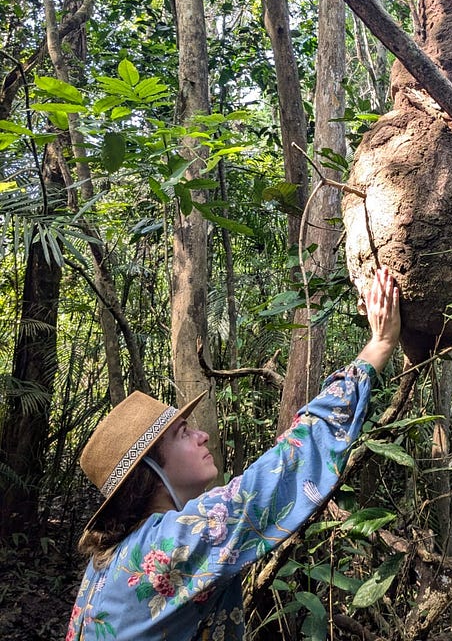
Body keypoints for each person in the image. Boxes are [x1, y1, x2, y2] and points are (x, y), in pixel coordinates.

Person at [66, 267, 401, 641]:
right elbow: (278, 475)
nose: (202, 435)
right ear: (149, 471)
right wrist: (379, 346)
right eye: (183, 433)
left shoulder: (108, 559)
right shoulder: (166, 547)